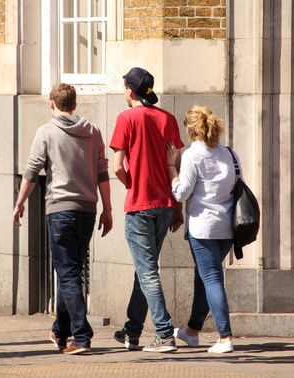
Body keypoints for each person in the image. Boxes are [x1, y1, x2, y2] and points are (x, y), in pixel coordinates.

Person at [13, 83, 113, 355]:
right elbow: (103, 171)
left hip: (60, 211)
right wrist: (108, 208)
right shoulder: (93, 131)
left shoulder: (46, 131)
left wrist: (20, 203)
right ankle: (61, 331)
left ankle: (81, 336)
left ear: (51, 104)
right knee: (70, 272)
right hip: (88, 211)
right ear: (75, 104)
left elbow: (32, 172)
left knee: (67, 274)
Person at [110, 67, 184, 353]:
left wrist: (133, 185)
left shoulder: (126, 118)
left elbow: (116, 166)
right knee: (144, 270)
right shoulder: (167, 118)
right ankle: (132, 331)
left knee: (148, 271)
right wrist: (178, 209)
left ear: (130, 90)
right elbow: (174, 166)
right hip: (165, 204)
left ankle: (165, 335)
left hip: (140, 205)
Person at [166, 105, 239, 353]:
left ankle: (225, 337)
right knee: (203, 278)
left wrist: (171, 170)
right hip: (227, 228)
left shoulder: (192, 154)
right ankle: (192, 331)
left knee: (211, 279)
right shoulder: (229, 153)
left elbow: (182, 192)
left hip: (204, 228)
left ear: (190, 129)